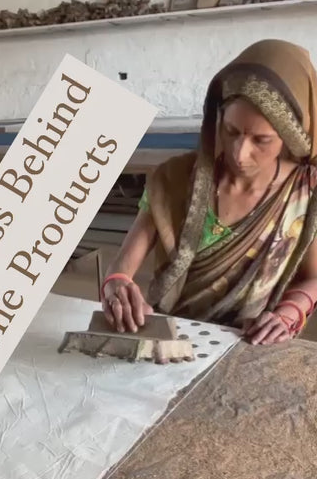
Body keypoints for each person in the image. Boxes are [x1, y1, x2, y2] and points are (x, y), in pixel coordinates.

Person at [101, 40, 317, 346]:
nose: (240, 153)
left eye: (262, 140)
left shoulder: (305, 194)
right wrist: (116, 285)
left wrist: (287, 314)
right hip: (172, 336)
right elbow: (122, 266)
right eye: (231, 132)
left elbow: (313, 277)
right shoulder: (174, 179)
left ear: (291, 139)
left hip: (250, 342)